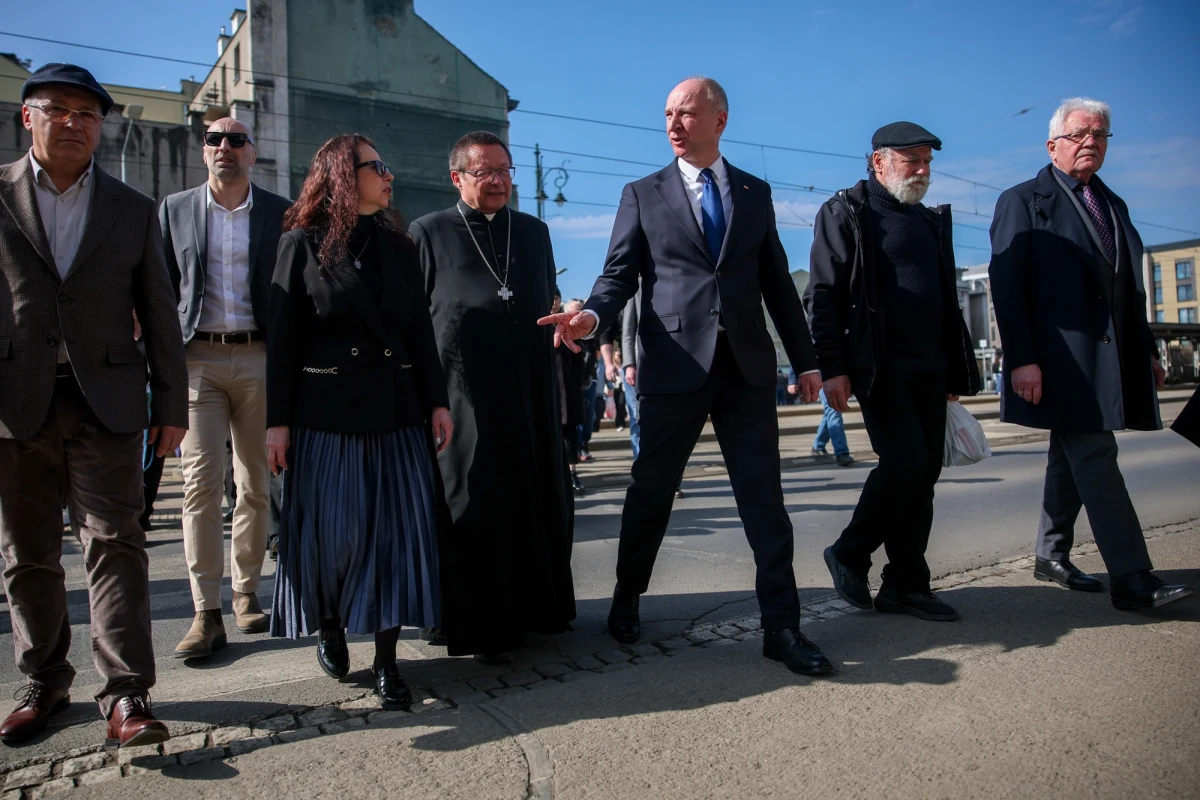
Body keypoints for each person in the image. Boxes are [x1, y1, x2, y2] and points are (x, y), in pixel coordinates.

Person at [539, 77, 831, 676]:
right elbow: (618, 276)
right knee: (650, 494)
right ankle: (627, 596)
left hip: (746, 370)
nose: (673, 123)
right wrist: (591, 316)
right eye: (668, 113)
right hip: (673, 368)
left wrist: (806, 361)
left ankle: (783, 626)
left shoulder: (754, 192)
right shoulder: (643, 193)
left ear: (719, 120)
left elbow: (777, 281)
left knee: (764, 501)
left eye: (687, 113)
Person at [0, 64, 187, 747]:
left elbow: (160, 314)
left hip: (106, 399)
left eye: (89, 114)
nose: (75, 123)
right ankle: (44, 679)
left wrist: (172, 404)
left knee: (115, 543)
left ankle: (127, 695)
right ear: (29, 117)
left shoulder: (132, 207)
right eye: (59, 110)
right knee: (27, 554)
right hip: (14, 400)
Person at [266, 134, 453, 708]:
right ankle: (329, 625)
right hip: (326, 413)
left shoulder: (400, 245)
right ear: (344, 176)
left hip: (396, 411)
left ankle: (387, 664)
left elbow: (419, 331)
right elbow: (283, 341)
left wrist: (436, 400)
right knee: (334, 537)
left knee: (394, 539)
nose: (388, 176)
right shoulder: (301, 244)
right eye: (378, 166)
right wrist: (278, 422)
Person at [989, 98, 1193, 610]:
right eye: (1080, 134)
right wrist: (1022, 358)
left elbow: (1127, 290)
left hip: (1107, 358)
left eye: (1100, 135)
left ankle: (1051, 553)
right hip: (1060, 361)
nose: (1091, 143)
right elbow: (1008, 290)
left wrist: (1144, 349)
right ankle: (1132, 578)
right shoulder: (1022, 201)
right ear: (1052, 144)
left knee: (1072, 452)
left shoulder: (1112, 203)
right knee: (1097, 455)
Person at [410, 130, 576, 662]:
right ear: (457, 177)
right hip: (463, 396)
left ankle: (537, 608)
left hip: (529, 387)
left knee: (532, 491)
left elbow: (544, 296)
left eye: (505, 171)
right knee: (473, 498)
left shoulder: (533, 232)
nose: (500, 180)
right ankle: (475, 620)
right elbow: (415, 322)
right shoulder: (428, 232)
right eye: (487, 172)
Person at [805, 122, 981, 623]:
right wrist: (833, 367)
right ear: (878, 162)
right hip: (880, 368)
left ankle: (906, 584)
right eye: (912, 161)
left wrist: (955, 372)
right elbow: (823, 295)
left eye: (927, 161)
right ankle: (850, 552)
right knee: (903, 463)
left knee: (924, 474)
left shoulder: (928, 220)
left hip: (932, 366)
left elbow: (946, 300)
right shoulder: (846, 212)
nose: (923, 171)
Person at [159, 118, 292, 658]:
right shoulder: (175, 209)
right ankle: (204, 611)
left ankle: (245, 592)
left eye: (236, 140)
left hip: (259, 356)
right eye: (214, 140)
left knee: (255, 484)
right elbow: (161, 289)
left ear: (252, 154)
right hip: (199, 361)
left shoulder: (279, 213)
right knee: (200, 485)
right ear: (203, 151)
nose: (224, 148)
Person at [810, 388, 853, 467]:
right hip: (825, 380)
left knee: (830, 413)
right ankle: (841, 452)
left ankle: (818, 446)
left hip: (834, 379)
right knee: (834, 409)